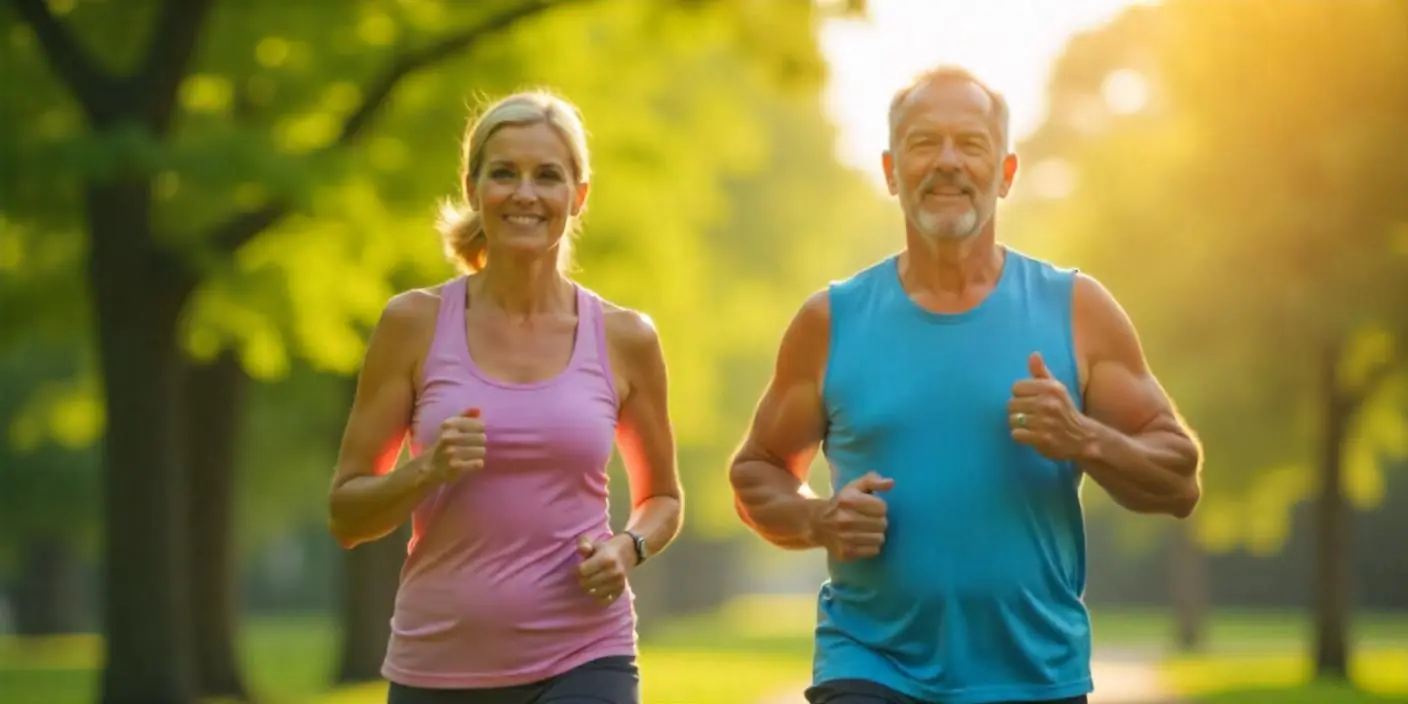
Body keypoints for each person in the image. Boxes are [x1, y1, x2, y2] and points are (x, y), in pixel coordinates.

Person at [728, 65, 1203, 704]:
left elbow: (1179, 481)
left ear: (1004, 174)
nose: (947, 162)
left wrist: (1085, 438)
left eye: (971, 144)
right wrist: (818, 519)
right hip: (869, 665)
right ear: (892, 170)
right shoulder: (829, 322)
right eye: (924, 143)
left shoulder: (1076, 310)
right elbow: (758, 470)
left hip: (1033, 674)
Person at [327, 89, 684, 704]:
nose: (525, 193)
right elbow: (347, 516)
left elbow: (663, 498)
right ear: (473, 188)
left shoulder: (625, 337)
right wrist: (426, 471)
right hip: (438, 665)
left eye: (547, 175)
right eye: (504, 173)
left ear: (578, 195)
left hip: (586, 655)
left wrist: (629, 547)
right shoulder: (414, 324)